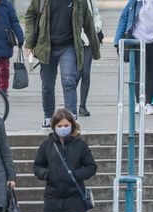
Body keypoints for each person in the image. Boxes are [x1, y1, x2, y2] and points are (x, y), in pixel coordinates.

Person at [25, 0, 101, 128]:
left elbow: (88, 22)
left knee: (68, 81)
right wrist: (29, 42)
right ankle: (48, 117)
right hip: (47, 47)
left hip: (69, 47)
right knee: (47, 85)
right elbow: (30, 16)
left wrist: (95, 49)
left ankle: (71, 117)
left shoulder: (79, 1)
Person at [115, 0, 153, 115]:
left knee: (152, 73)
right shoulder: (135, 2)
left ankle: (148, 103)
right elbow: (124, 18)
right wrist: (117, 40)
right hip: (137, 41)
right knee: (139, 72)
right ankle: (139, 103)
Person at [78, 0, 104, 116]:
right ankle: (70, 103)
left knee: (85, 73)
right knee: (74, 75)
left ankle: (82, 106)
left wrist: (96, 28)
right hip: (73, 42)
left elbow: (96, 14)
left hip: (88, 41)